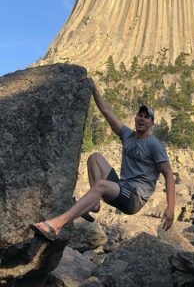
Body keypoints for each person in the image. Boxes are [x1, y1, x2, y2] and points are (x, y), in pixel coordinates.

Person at [30, 79, 175, 241]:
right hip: (122, 186)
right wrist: (94, 89)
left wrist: (170, 207)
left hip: (134, 197)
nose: (141, 119)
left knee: (101, 185)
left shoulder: (154, 144)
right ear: (135, 118)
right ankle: (94, 204)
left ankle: (56, 225)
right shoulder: (127, 135)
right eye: (139, 115)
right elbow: (106, 111)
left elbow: (168, 174)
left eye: (146, 117)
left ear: (151, 123)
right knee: (94, 158)